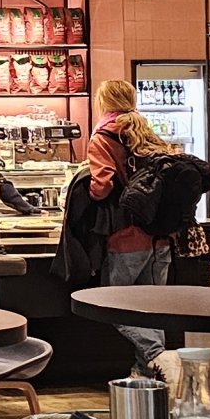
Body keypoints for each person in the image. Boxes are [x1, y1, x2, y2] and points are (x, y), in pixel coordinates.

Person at [86, 78, 177, 369]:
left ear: (104, 103)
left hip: (126, 237)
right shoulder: (147, 132)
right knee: (151, 309)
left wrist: (85, 189)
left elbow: (102, 187)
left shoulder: (103, 136)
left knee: (110, 304)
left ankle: (155, 356)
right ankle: (150, 375)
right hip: (160, 236)